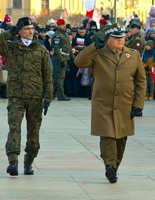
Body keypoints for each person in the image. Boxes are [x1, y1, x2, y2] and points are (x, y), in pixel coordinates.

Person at [74, 23, 146, 183]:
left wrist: (138, 105)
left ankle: (114, 166)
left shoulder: (133, 55)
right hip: (103, 102)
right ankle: (109, 166)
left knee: (121, 138)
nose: (120, 40)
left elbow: (141, 81)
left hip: (125, 103)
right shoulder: (98, 53)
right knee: (107, 135)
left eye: (121, 38)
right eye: (115, 38)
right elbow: (79, 62)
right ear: (107, 40)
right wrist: (93, 46)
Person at [0, 17, 53, 176]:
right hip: (16, 95)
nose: (31, 31)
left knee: (33, 132)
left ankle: (29, 162)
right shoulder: (11, 47)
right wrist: (10, 32)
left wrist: (48, 97)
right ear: (20, 31)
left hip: (35, 96)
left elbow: (48, 75)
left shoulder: (41, 49)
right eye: (27, 28)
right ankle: (13, 161)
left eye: (32, 28)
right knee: (14, 127)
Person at [52, 18, 73, 101]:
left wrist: (72, 57)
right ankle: (61, 95)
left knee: (58, 77)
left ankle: (50, 93)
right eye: (61, 25)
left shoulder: (66, 34)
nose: (63, 26)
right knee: (60, 77)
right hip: (60, 59)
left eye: (64, 24)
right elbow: (56, 49)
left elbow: (69, 47)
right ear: (58, 26)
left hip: (66, 58)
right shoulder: (57, 35)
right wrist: (61, 60)